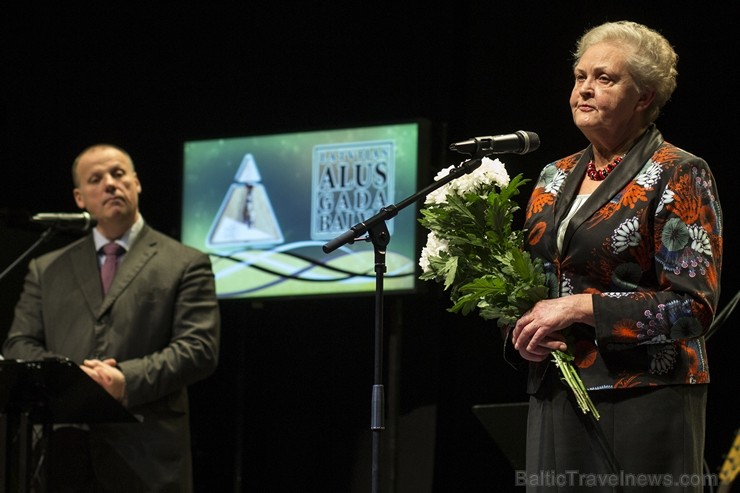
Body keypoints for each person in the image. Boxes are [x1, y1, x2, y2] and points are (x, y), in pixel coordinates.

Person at [510, 21, 722, 492]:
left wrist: (581, 308)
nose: (584, 90)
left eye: (605, 78)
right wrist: (522, 332)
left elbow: (694, 308)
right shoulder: (552, 176)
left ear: (643, 96)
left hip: (644, 394)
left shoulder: (679, 172)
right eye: (580, 76)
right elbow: (535, 284)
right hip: (556, 389)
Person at [3, 144, 221, 492]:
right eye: (95, 179)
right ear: (79, 198)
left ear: (136, 183)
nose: (109, 183)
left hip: (146, 456)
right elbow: (18, 343)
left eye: (118, 174)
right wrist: (71, 379)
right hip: (60, 455)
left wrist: (124, 380)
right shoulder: (46, 268)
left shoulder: (185, 262)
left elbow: (198, 350)